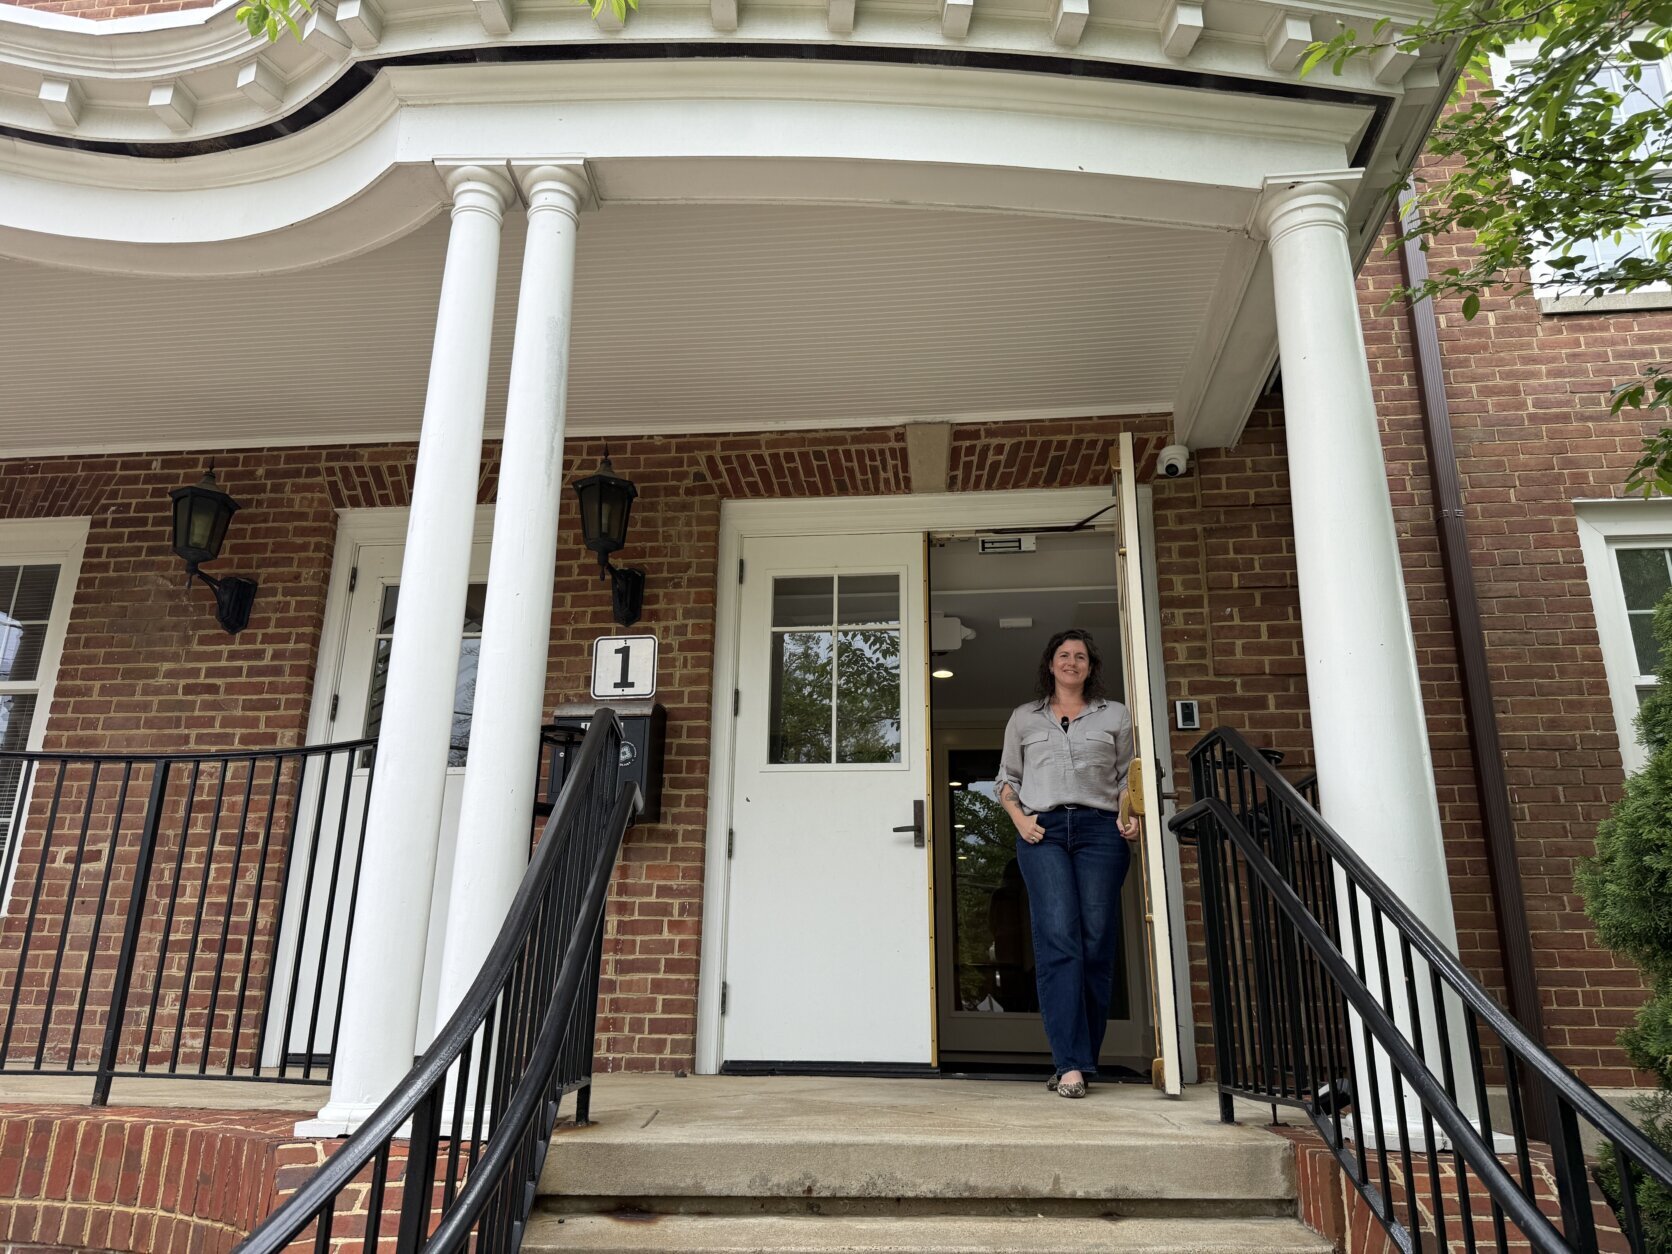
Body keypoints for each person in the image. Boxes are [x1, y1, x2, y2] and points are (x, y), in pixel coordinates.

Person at [995, 628, 1139, 1099]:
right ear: (1051, 664)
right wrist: (1019, 819)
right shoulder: (1024, 718)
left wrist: (1128, 812)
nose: (1071, 661)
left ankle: (1084, 1056)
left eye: (1080, 656)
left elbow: (1125, 777)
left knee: (1096, 943)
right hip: (1044, 832)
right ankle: (1070, 1064)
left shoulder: (1114, 715)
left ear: (1091, 666)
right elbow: (1006, 778)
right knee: (1059, 938)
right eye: (1063, 655)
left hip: (1101, 832)